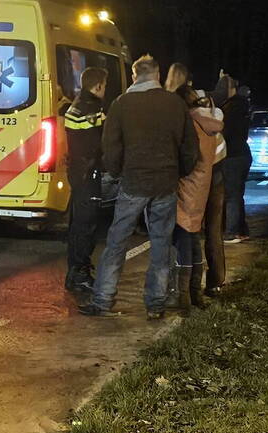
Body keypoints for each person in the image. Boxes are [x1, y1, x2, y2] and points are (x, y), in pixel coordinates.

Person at [80, 55, 198, 319]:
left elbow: (110, 147)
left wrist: (117, 171)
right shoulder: (175, 104)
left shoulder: (122, 104)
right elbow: (190, 147)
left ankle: (103, 299)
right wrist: (180, 171)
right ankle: (155, 304)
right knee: (161, 243)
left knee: (117, 241)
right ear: (157, 75)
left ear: (135, 76)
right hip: (166, 182)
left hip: (133, 182)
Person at [172, 85, 225, 313]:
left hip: (188, 187)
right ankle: (196, 295)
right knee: (193, 238)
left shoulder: (191, 125)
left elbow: (188, 158)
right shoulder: (209, 124)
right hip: (202, 187)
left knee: (184, 238)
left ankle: (184, 297)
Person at [63, 67, 108, 293]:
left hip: (77, 172)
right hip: (88, 173)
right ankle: (80, 273)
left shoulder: (76, 105)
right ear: (98, 86)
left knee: (77, 224)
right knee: (86, 226)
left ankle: (74, 271)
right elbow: (99, 144)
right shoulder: (92, 110)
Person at [202, 70, 232, 296]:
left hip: (194, 178)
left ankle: (188, 286)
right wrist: (223, 77)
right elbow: (222, 92)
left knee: (189, 231)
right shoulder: (217, 115)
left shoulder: (187, 116)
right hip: (216, 175)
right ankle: (215, 281)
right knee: (214, 229)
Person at [221, 80, 252, 243]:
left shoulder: (232, 107)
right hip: (241, 154)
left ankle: (231, 231)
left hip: (233, 156)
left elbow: (225, 132)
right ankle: (241, 230)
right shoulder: (241, 105)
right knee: (237, 194)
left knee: (231, 195)